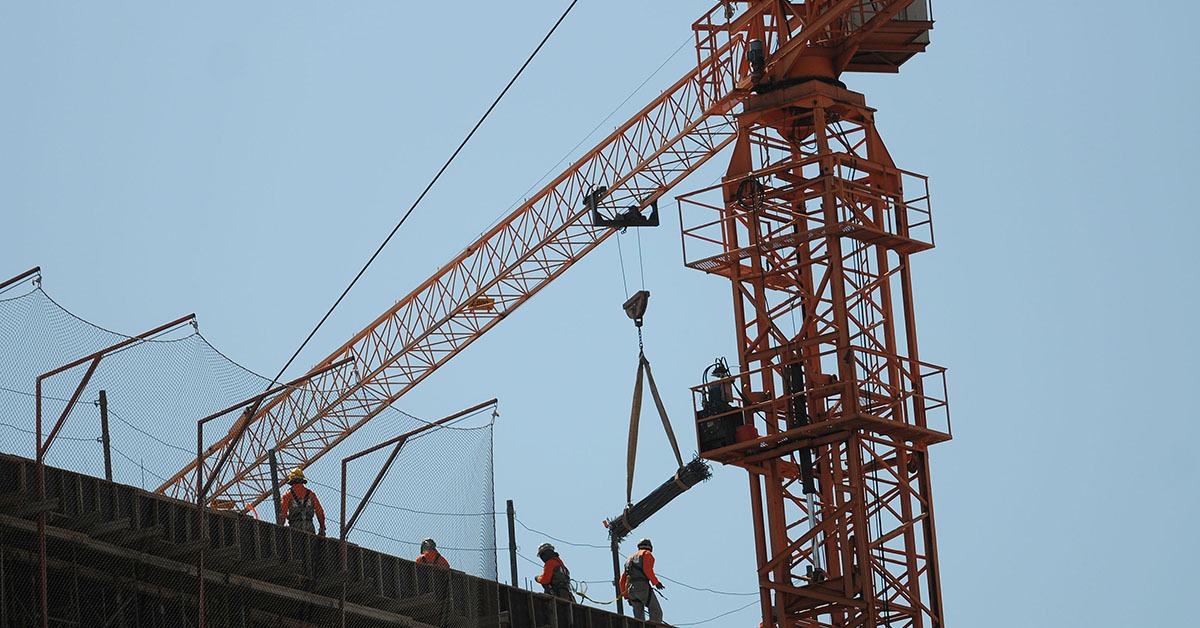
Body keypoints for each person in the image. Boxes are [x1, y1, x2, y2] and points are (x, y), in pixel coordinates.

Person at [619, 538, 664, 623]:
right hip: (642, 587)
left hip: (630, 591)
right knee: (656, 611)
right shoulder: (646, 554)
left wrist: (626, 596)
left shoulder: (629, 559)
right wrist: (656, 582)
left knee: (638, 617)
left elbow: (622, 580)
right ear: (650, 547)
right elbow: (647, 570)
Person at [280, 468, 326, 536]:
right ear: (302, 480)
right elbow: (319, 512)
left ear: (292, 480)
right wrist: (322, 528)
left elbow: (283, 513)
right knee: (310, 545)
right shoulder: (311, 494)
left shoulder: (287, 495)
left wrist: (280, 528)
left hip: (294, 529)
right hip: (309, 528)